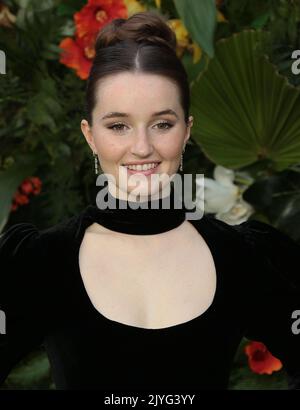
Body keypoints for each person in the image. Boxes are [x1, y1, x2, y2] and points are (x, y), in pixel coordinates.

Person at [0, 10, 299, 391]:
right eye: (118, 126)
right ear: (90, 135)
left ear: (186, 130)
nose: (142, 148)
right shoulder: (42, 261)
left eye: (162, 124)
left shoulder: (240, 254)